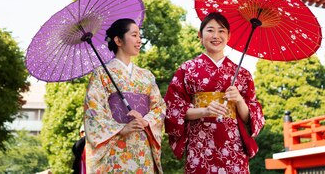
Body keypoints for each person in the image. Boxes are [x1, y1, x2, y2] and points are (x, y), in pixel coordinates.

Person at [164, 12, 265, 174]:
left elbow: (251, 117)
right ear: (200, 35)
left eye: (221, 31)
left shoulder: (243, 74)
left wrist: (239, 100)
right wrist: (204, 111)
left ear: (229, 36)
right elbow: (172, 109)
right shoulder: (187, 69)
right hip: (200, 142)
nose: (216, 36)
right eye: (210, 30)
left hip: (233, 144)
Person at [84, 18, 165, 173]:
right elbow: (93, 111)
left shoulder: (146, 75)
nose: (139, 40)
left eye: (140, 36)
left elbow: (159, 107)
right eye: (134, 35)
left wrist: (146, 121)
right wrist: (121, 128)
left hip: (142, 144)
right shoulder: (101, 73)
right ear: (118, 40)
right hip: (115, 146)